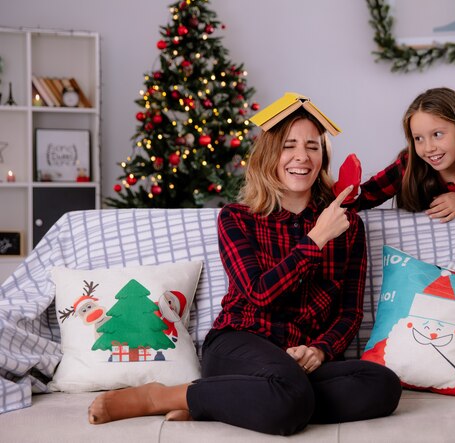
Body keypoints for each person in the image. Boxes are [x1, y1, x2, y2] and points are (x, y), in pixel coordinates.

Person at [87, 105, 402, 435]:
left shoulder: (349, 226)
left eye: (313, 147)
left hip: (299, 362)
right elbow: (259, 293)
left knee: (382, 384)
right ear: (269, 154)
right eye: (288, 146)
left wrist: (320, 350)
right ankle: (162, 396)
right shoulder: (237, 218)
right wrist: (318, 237)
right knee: (290, 398)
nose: (302, 157)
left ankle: (231, 402)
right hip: (239, 343)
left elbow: (349, 313)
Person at [352, 87, 455, 252]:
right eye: (418, 138)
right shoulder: (410, 164)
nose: (428, 148)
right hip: (427, 264)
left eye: (437, 134)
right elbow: (365, 196)